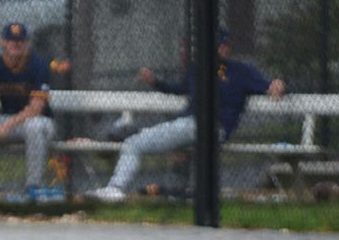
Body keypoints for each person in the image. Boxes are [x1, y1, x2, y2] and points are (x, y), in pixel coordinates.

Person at [88, 29, 286, 202]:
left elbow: (270, 87)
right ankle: (129, 189)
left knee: (137, 141)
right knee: (134, 142)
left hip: (212, 129)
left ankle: (115, 188)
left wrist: (279, 84)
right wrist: (154, 82)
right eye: (220, 45)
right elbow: (179, 88)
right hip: (189, 127)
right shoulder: (197, 68)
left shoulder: (240, 71)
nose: (224, 49)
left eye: (226, 45)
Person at [0, 22, 57, 199]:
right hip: (6, 122)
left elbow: (36, 108)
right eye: (11, 40)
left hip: (40, 122)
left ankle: (34, 187)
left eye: (20, 41)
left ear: (26, 43)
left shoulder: (38, 66)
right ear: (3, 42)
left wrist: (5, 127)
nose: (15, 44)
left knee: (34, 126)